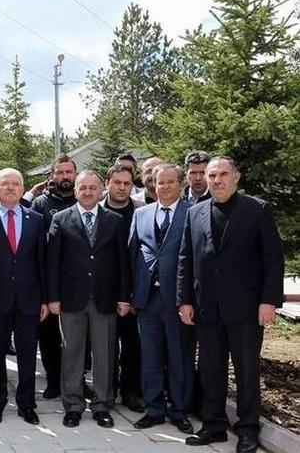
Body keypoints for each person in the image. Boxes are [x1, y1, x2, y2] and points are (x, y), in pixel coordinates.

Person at [178, 156, 284, 453]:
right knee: (210, 369)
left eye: (223, 174)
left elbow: (273, 260)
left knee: (246, 370)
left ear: (236, 178)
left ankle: (248, 429)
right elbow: (186, 259)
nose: (217, 180)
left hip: (247, 308)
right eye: (212, 175)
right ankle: (213, 425)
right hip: (206, 307)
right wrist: (184, 299)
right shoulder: (195, 213)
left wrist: (269, 301)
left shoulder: (257, 210)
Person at [47, 171, 130, 429]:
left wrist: (124, 297)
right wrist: (53, 297)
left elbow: (123, 263)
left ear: (101, 189)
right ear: (75, 190)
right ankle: (72, 405)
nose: (88, 192)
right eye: (83, 187)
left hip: (105, 298)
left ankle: (102, 404)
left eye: (93, 187)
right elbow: (53, 262)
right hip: (71, 299)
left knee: (105, 354)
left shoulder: (115, 221)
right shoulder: (60, 219)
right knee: (72, 353)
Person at [128, 164, 195, 434]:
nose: (164, 187)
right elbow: (132, 254)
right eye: (160, 182)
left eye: (170, 182)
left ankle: (179, 411)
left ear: (180, 184)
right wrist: (130, 294)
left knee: (180, 356)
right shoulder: (141, 214)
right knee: (150, 356)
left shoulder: (192, 212)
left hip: (178, 298)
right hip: (147, 298)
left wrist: (189, 298)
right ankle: (154, 409)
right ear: (152, 185)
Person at [0, 168, 47, 426]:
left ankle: (26, 403)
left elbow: (42, 261)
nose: (11, 188)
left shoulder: (36, 219)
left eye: (16, 184)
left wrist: (45, 298)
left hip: (29, 299)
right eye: (5, 184)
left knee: (27, 353)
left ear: (23, 189)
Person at [31, 154, 78, 400]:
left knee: (79, 337)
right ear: (52, 176)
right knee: (48, 334)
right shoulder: (40, 204)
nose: (64, 177)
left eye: (68, 172)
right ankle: (53, 380)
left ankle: (76, 380)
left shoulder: (85, 199)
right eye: (59, 172)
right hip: (49, 279)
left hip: (79, 280)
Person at [100, 164, 145, 413]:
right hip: (104, 290)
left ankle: (130, 391)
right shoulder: (96, 209)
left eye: (127, 183)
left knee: (132, 344)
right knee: (105, 346)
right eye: (117, 182)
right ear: (108, 183)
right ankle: (107, 392)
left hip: (134, 290)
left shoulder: (142, 210)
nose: (122, 187)